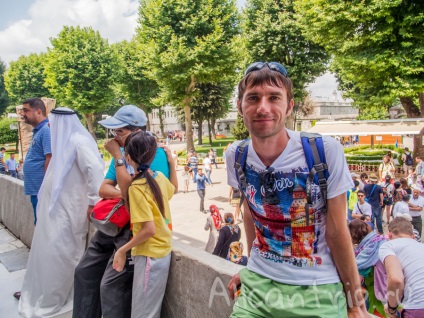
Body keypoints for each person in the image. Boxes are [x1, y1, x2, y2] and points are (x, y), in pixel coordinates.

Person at [225, 62, 367, 316]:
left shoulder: (325, 150)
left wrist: (355, 305)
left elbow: (337, 232)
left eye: (274, 97)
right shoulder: (236, 155)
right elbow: (250, 213)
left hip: (318, 291)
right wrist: (251, 269)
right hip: (258, 291)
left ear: (289, 106)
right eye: (253, 98)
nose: (263, 107)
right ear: (240, 106)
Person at [73, 105, 170, 318]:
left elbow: (143, 192)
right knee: (84, 272)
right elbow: (104, 188)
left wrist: (118, 157)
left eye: (120, 132)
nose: (115, 137)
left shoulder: (154, 153)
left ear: (136, 132)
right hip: (116, 223)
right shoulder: (124, 155)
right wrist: (128, 195)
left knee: (110, 287)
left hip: (135, 232)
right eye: (114, 132)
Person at [18, 107, 105, 317]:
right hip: (55, 210)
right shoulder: (63, 142)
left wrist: (93, 202)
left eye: (52, 122)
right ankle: (42, 294)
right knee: (49, 252)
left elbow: (95, 170)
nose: (49, 125)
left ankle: (56, 297)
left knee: (62, 254)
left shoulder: (79, 142)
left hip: (70, 210)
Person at [112, 131, 177, 318]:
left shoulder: (137, 188)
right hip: (160, 252)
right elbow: (174, 189)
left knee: (142, 313)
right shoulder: (158, 178)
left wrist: (121, 250)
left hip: (150, 255)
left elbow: (149, 229)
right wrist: (172, 162)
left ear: (128, 157)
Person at [379, 217, 424, 318]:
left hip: (417, 306)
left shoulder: (388, 246)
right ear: (413, 236)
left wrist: (391, 308)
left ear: (389, 235)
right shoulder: (421, 246)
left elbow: (396, 279)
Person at [21, 98, 52, 224]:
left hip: (41, 190)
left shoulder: (46, 130)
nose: (22, 114)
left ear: (38, 112)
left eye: (26, 110)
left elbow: (50, 158)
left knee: (42, 226)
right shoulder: (39, 131)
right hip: (37, 190)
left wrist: (46, 186)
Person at [348, 220, 387, 317]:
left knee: (380, 311)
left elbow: (357, 264)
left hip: (377, 286)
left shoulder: (371, 246)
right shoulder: (376, 240)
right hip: (376, 286)